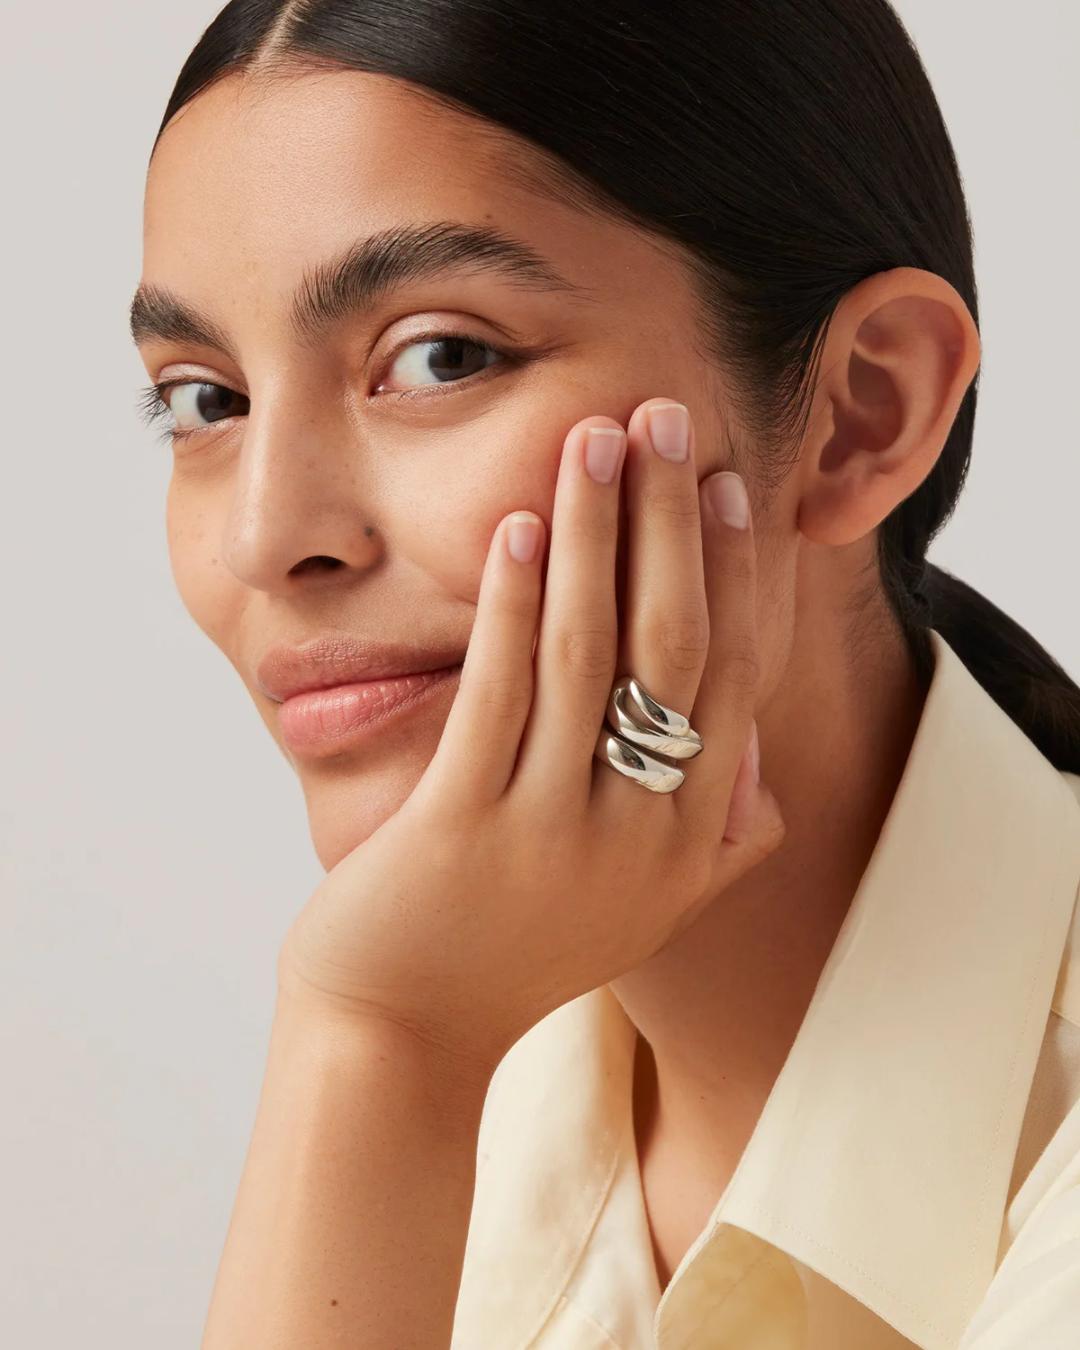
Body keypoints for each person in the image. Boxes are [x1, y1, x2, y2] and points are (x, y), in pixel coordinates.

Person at [129, 2, 1080, 1346]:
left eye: (440, 355)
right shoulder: (466, 1046)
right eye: (203, 400)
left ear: (867, 409)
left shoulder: (410, 1044)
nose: (267, 534)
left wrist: (380, 1043)